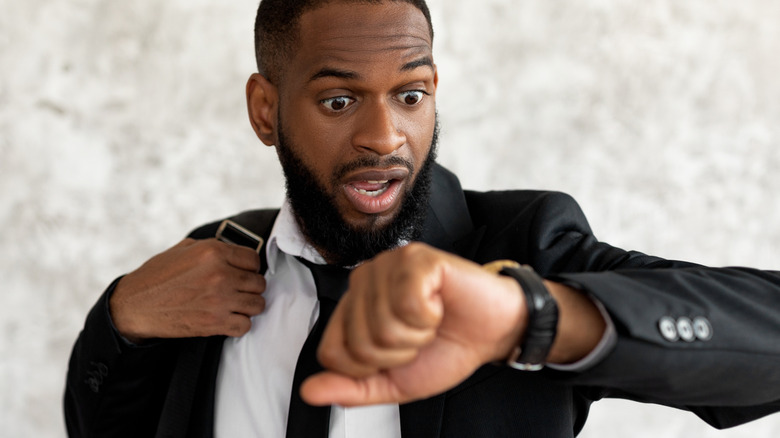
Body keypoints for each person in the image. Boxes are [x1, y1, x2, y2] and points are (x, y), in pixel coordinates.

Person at [64, 0, 780, 437]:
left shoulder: (521, 248)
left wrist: (529, 317)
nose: (385, 137)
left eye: (409, 95)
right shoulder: (216, 263)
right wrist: (120, 319)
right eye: (339, 101)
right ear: (265, 110)